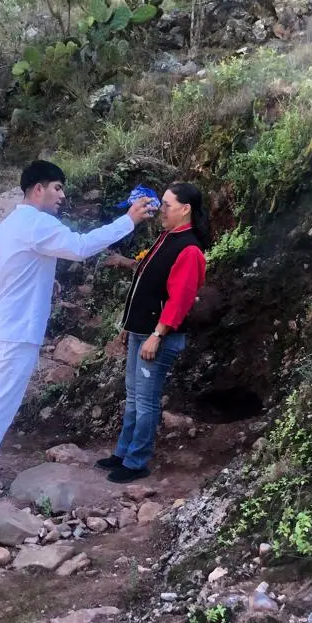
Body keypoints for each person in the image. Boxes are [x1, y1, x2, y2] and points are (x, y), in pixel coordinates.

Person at [0, 161, 155, 497]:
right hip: (18, 327)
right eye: (57, 187)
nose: (62, 195)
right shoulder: (36, 222)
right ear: (38, 189)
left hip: (2, 322)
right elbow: (80, 247)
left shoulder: (6, 227)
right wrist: (128, 221)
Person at [98, 182, 210, 483]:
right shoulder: (167, 237)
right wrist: (128, 327)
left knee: (146, 401)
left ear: (185, 209)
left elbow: (181, 299)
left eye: (167, 205)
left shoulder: (189, 249)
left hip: (157, 337)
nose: (161, 210)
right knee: (134, 396)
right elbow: (143, 286)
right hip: (141, 331)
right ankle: (123, 452)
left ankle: (137, 462)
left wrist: (157, 335)